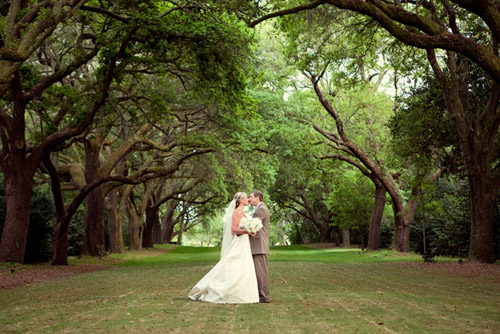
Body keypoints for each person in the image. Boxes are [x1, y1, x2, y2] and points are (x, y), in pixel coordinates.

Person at [188, 192, 259, 303]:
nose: (248, 200)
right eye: (246, 198)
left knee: (243, 266)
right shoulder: (237, 211)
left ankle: (243, 292)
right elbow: (233, 229)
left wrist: (251, 230)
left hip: (245, 242)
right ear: (240, 200)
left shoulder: (243, 212)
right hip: (239, 242)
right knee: (233, 263)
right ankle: (219, 288)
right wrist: (248, 231)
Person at [248, 190, 271, 303]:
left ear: (257, 198)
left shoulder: (261, 209)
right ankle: (260, 295)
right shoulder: (260, 208)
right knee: (258, 271)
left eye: (251, 196)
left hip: (259, 246)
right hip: (258, 245)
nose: (249, 199)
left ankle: (264, 296)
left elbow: (252, 226)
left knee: (261, 272)